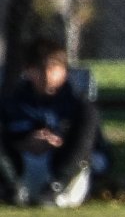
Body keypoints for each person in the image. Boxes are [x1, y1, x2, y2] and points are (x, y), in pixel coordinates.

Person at [1, 38, 103, 208]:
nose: (47, 75)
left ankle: (54, 189)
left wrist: (60, 143)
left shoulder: (78, 106)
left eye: (54, 68)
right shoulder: (12, 103)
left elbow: (97, 154)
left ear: (65, 71)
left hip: (63, 180)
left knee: (89, 114)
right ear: (28, 70)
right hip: (20, 175)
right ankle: (12, 190)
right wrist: (22, 144)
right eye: (40, 69)